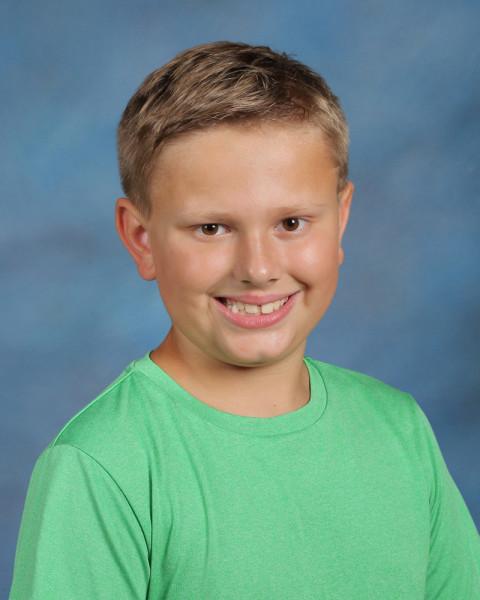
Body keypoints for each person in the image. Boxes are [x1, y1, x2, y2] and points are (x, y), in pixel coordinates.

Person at [9, 40, 480, 599]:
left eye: (291, 223)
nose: (258, 268)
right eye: (212, 228)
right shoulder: (101, 466)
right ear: (141, 239)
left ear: (341, 219)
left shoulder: (399, 431)